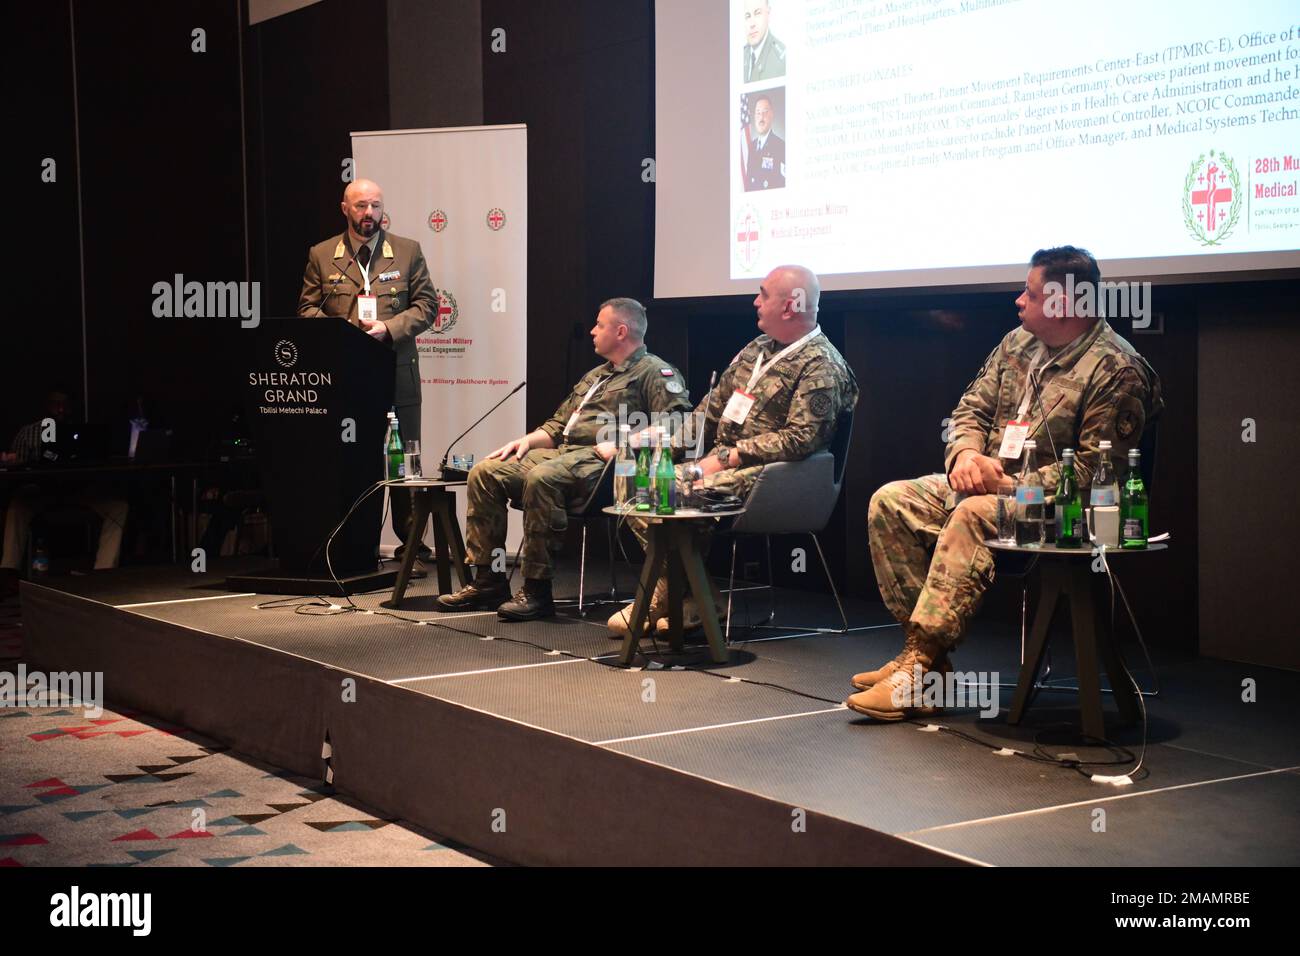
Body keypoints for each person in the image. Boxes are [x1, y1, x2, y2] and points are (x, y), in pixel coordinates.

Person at [847, 246, 1164, 720]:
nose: (1019, 300)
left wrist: (1007, 488)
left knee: (972, 513)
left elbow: (1096, 476)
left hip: (1070, 510)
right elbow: (969, 409)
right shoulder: (1017, 344)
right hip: (994, 488)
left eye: (1030, 293)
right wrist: (967, 454)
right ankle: (928, 665)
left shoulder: (1117, 370)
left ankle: (918, 670)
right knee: (892, 502)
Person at [608, 264, 858, 639]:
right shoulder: (757, 349)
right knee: (635, 473)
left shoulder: (821, 365)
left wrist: (725, 458)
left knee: (669, 489)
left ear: (790, 306)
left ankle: (671, 595)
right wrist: (662, 445)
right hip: (722, 465)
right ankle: (692, 594)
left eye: (763, 295)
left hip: (774, 475)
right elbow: (708, 412)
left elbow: (801, 439)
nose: (755, 301)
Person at [438, 298, 693, 621]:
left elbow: (678, 424)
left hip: (605, 463)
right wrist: (525, 442)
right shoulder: (596, 376)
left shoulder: (654, 371)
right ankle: (490, 579)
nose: (591, 331)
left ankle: (536, 590)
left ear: (621, 331)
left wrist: (622, 446)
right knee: (486, 472)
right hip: (565, 453)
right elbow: (559, 427)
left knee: (542, 477)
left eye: (600, 325)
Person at [297, 178, 437, 560]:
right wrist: (341, 332)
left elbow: (427, 306)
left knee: (405, 459)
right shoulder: (323, 254)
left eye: (375, 206)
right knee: (353, 458)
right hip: (346, 378)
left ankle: (411, 545)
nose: (369, 214)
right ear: (345, 209)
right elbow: (307, 310)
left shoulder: (407, 252)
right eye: (361, 206)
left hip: (395, 374)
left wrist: (388, 329)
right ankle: (354, 543)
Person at [1, 389, 128, 582]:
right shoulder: (28, 433)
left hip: (79, 492)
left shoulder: (85, 433)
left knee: (119, 507)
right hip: (41, 492)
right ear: (46, 406)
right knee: (17, 506)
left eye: (64, 405)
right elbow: (15, 468)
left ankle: (104, 574)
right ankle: (8, 572)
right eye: (55, 404)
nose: (60, 409)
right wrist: (19, 463)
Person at [745, 96, 786, 191]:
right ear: (754, 117)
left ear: (771, 114)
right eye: (758, 113)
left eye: (765, 112)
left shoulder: (781, 147)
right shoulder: (749, 148)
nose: (761, 117)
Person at [741, 1, 786, 81]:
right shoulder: (739, 56)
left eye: (757, 13)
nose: (752, 24)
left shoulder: (782, 59)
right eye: (747, 16)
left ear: (768, 14)